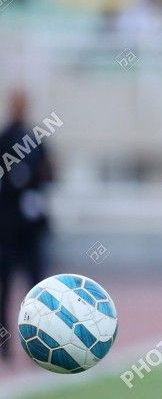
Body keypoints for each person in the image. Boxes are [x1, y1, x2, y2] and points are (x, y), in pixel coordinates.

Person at [0, 89, 55, 362]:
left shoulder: (35, 140)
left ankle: (39, 345)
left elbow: (50, 173)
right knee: (5, 288)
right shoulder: (3, 139)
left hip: (31, 228)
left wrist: (34, 186)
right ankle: (4, 345)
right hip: (6, 228)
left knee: (37, 289)